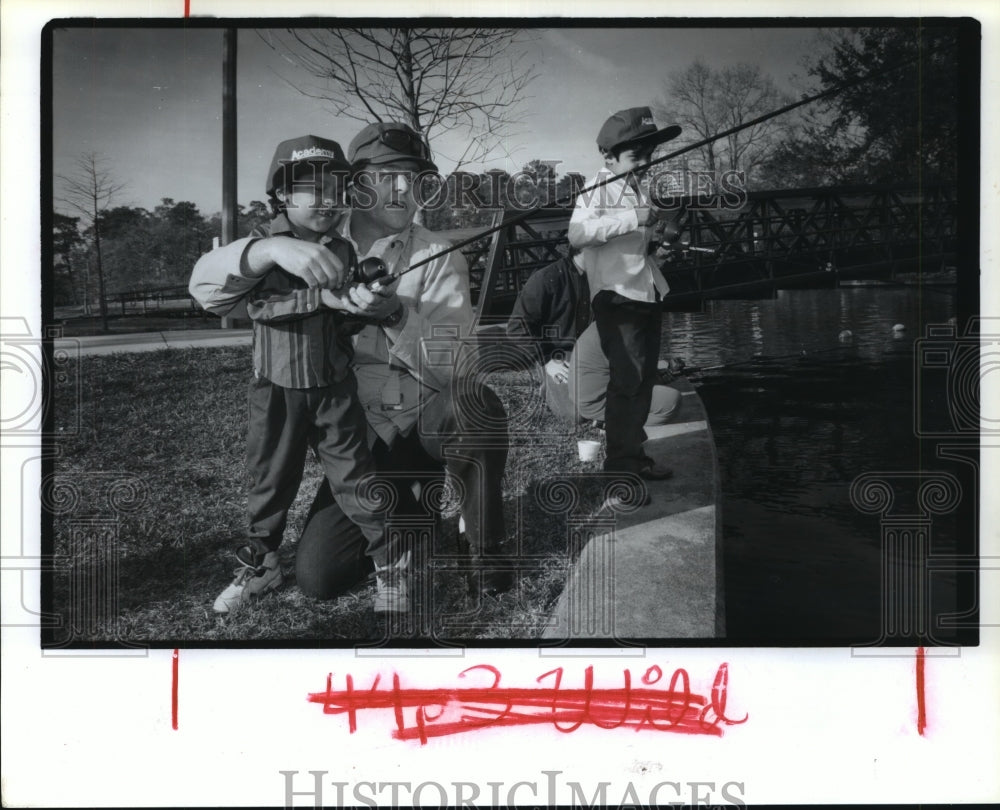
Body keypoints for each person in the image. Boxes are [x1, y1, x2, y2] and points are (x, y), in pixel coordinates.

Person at [282, 122, 512, 603]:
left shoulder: (441, 255)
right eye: (388, 174)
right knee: (320, 578)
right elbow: (209, 288)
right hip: (355, 447)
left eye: (416, 178)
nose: (406, 189)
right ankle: (414, 514)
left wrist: (396, 315)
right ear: (355, 181)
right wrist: (265, 247)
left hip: (421, 426)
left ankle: (486, 552)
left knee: (474, 404)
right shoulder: (310, 245)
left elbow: (459, 366)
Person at [189, 135, 408, 615]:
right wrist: (322, 298)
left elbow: (345, 321)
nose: (328, 199)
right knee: (269, 482)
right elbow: (260, 305)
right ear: (282, 195)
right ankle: (262, 564)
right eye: (313, 189)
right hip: (277, 393)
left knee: (357, 478)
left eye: (338, 188)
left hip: (335, 391)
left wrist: (364, 304)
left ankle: (390, 566)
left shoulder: (344, 250)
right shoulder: (265, 248)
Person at [568, 107, 681, 484]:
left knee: (643, 382)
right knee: (627, 382)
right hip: (618, 299)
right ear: (609, 156)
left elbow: (629, 249)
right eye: (636, 156)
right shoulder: (595, 187)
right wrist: (635, 219)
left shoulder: (636, 188)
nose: (645, 163)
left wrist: (655, 247)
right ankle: (620, 468)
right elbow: (577, 235)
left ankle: (635, 455)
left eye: (648, 155)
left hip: (646, 295)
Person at [506, 248, 681, 428]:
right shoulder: (546, 279)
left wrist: (655, 259)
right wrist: (546, 361)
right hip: (558, 355)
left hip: (596, 353)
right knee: (576, 415)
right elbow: (517, 327)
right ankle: (549, 388)